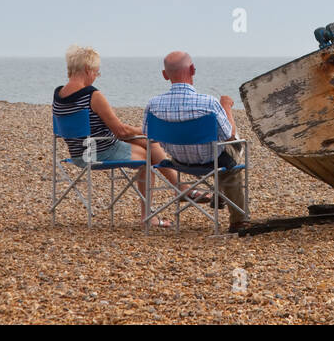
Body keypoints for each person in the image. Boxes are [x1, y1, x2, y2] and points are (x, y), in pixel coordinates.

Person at [51, 44, 193, 226]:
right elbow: (120, 131)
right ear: (87, 69)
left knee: (146, 141)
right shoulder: (92, 95)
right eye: (96, 72)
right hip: (98, 152)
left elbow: (113, 130)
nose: (96, 76)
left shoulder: (58, 94)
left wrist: (140, 133)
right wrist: (144, 130)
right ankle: (153, 212)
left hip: (78, 153)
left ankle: (182, 188)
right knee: (149, 154)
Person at [145, 51, 249, 230]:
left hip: (177, 162)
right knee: (234, 151)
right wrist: (226, 107)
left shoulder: (153, 105)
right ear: (192, 70)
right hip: (211, 162)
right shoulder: (209, 103)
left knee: (222, 149)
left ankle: (219, 194)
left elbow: (150, 137)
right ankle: (238, 220)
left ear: (164, 75)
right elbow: (229, 135)